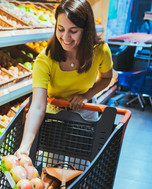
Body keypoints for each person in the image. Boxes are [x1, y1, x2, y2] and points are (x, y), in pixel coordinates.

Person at [16, 0, 113, 157]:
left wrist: (85, 96)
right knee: (52, 167)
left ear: (86, 30)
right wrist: (24, 148)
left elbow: (106, 77)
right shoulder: (45, 60)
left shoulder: (100, 51)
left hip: (86, 112)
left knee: (83, 166)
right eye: (60, 29)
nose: (65, 37)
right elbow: (38, 106)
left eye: (73, 31)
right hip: (55, 116)